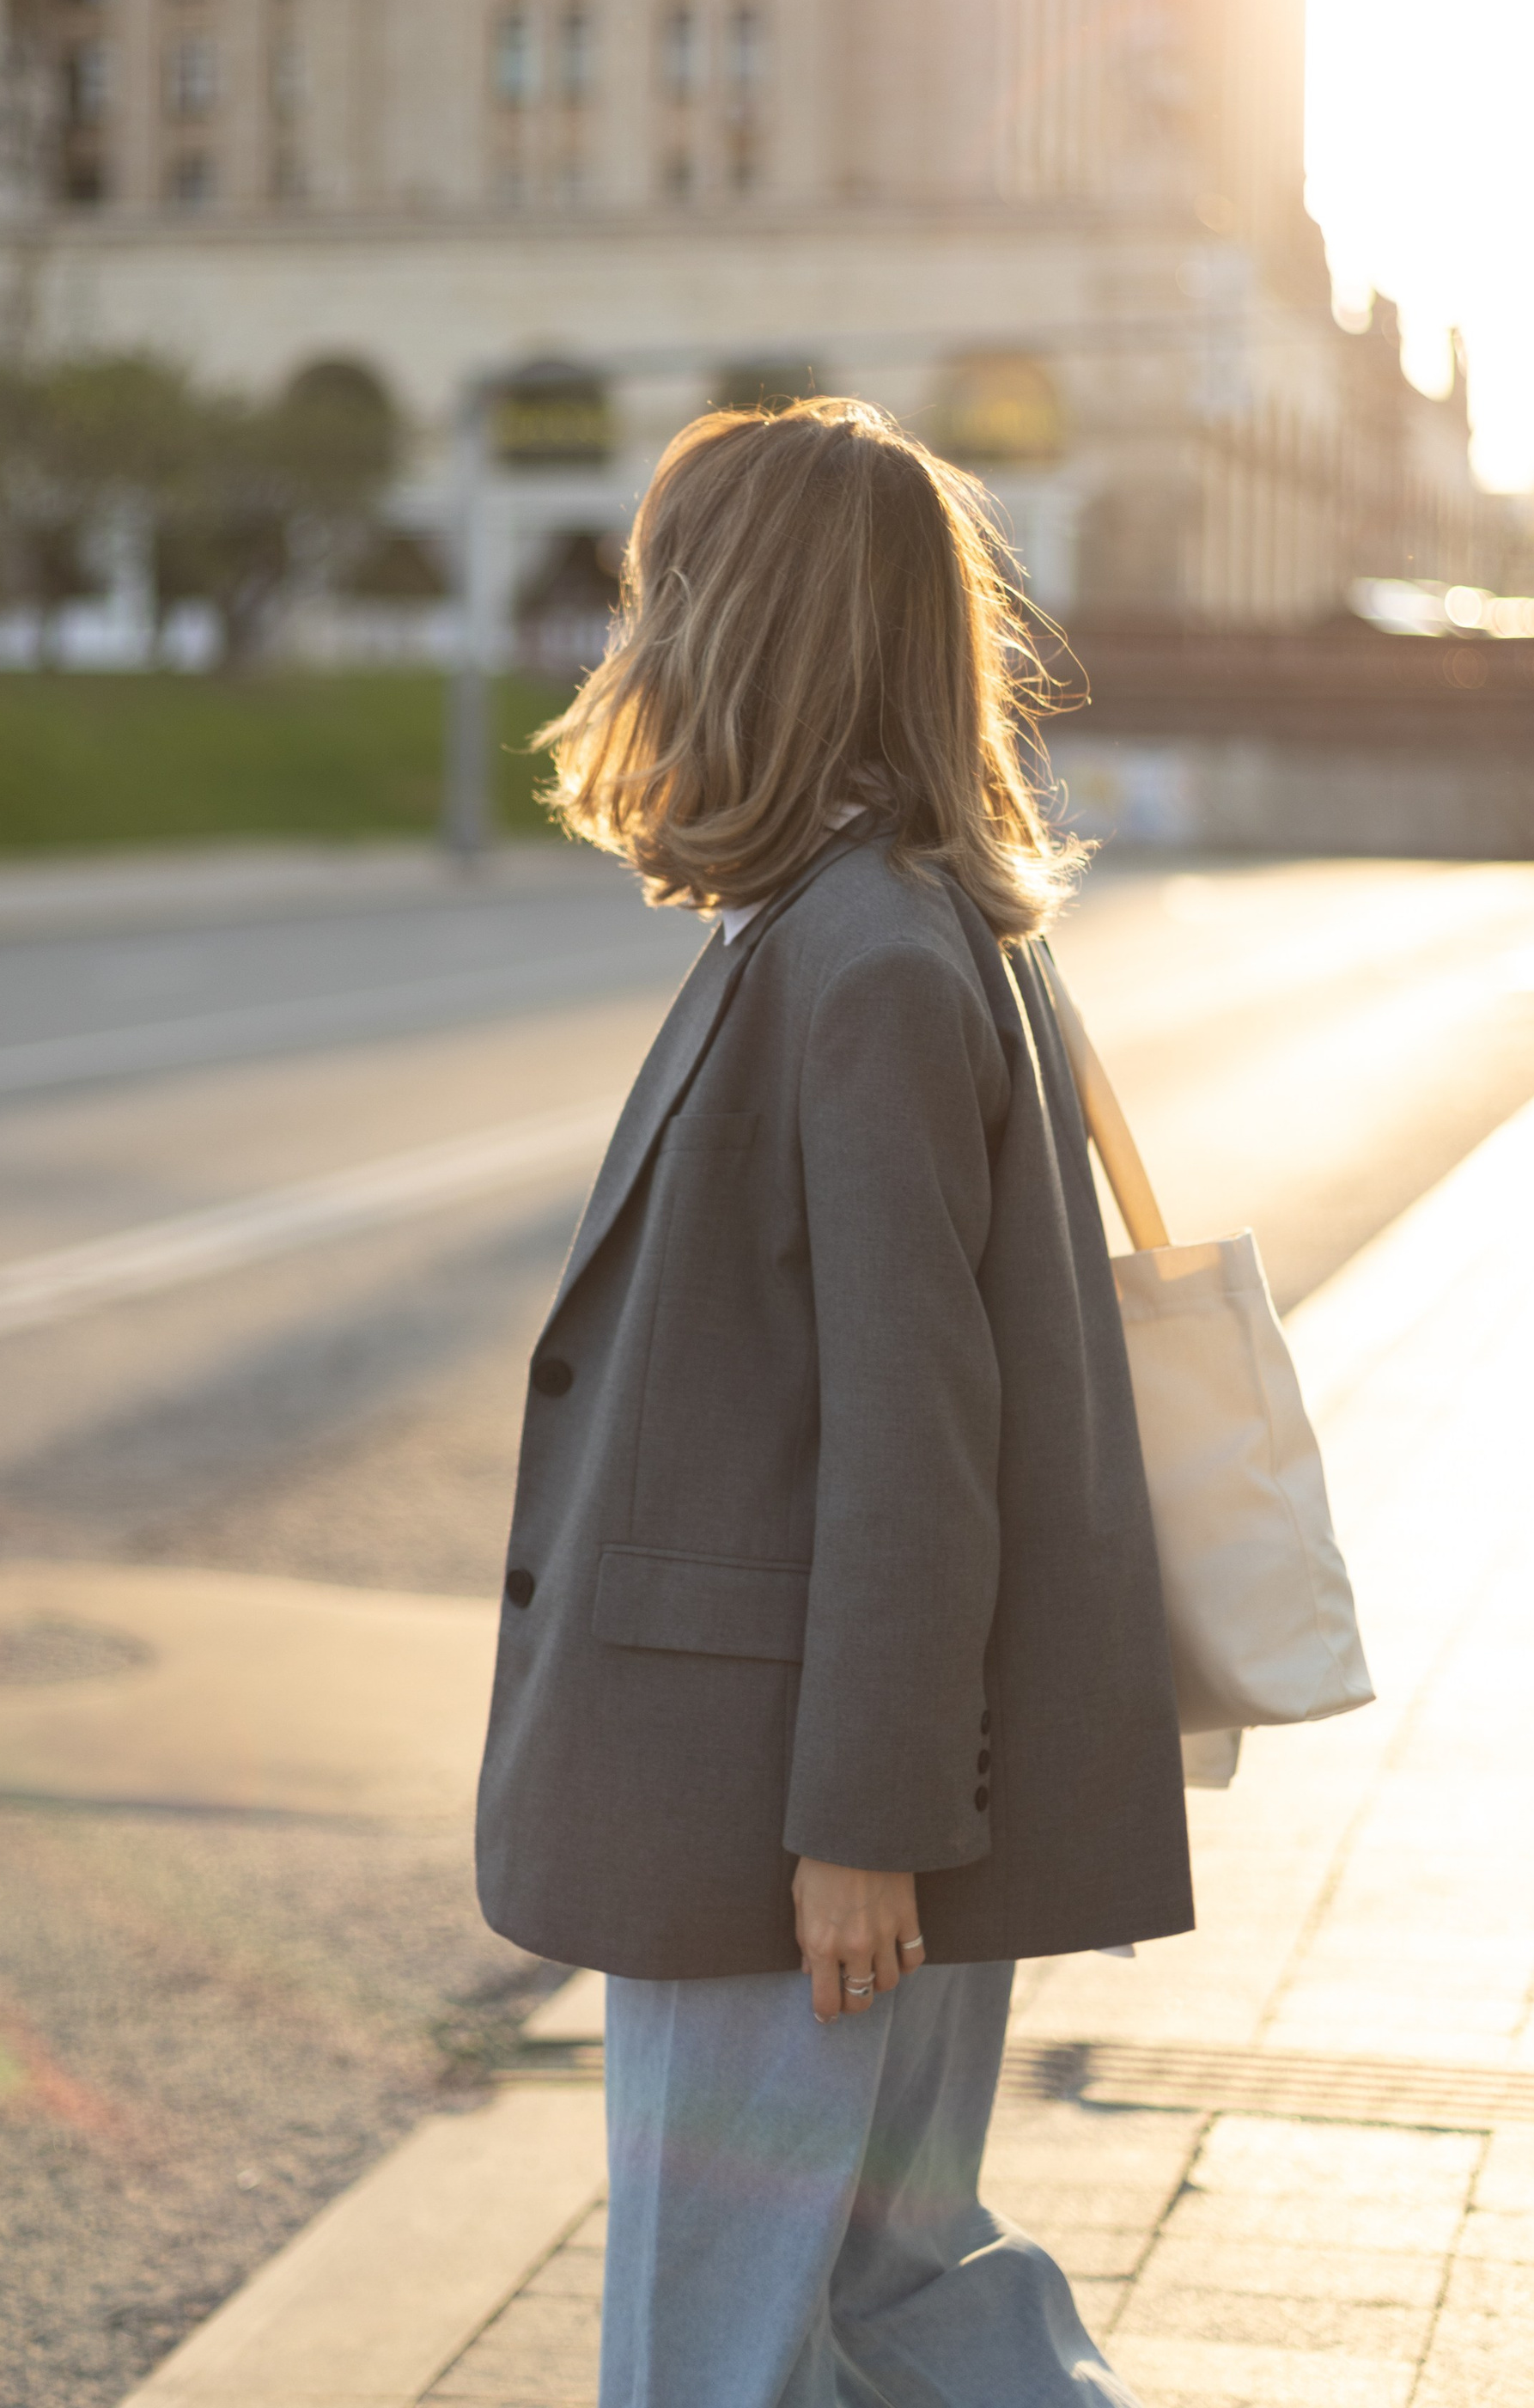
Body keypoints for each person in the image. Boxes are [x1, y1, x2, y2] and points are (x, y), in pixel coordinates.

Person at [474, 402, 1193, 2408]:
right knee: (884, 2302)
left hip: (788, 1808)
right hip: (832, 1787)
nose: (632, 636)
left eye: (656, 593)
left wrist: (861, 1828)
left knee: (717, 2349)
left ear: (741, 632)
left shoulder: (860, 956)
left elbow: (912, 1440)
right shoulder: (875, 917)